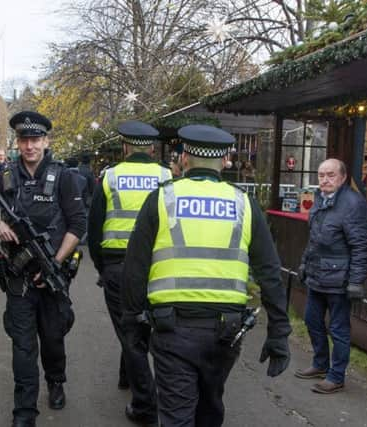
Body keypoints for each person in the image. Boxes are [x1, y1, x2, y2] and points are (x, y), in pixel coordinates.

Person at [122, 124, 291, 427]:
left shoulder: (161, 199)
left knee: (176, 414)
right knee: (210, 407)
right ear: (225, 160)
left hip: (171, 328)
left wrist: (133, 322)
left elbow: (135, 267)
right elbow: (269, 272)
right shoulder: (244, 204)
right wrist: (279, 332)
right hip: (226, 332)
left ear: (185, 157)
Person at [0, 111, 86, 427]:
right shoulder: (4, 178)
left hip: (52, 273)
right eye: (24, 140)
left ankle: (56, 379)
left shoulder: (64, 176)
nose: (30, 146)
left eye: (36, 139)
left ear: (46, 141)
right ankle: (24, 412)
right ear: (17, 143)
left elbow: (77, 224)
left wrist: (56, 263)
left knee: (52, 337)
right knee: (22, 346)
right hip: (18, 278)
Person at [87, 120, 171, 425]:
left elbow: (94, 228)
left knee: (129, 332)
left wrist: (101, 266)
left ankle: (145, 404)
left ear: (124, 148)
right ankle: (127, 376)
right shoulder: (166, 176)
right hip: (155, 265)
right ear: (150, 148)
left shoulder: (110, 177)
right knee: (139, 326)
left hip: (118, 265)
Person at [295, 158, 367, 394]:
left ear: (343, 177)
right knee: (312, 321)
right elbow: (315, 239)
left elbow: (361, 246)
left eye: (330, 175)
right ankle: (319, 365)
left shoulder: (353, 203)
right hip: (317, 275)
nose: (324, 180)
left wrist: (356, 281)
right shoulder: (320, 198)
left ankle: (336, 376)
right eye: (321, 175)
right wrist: (304, 264)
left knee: (338, 330)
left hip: (339, 279)